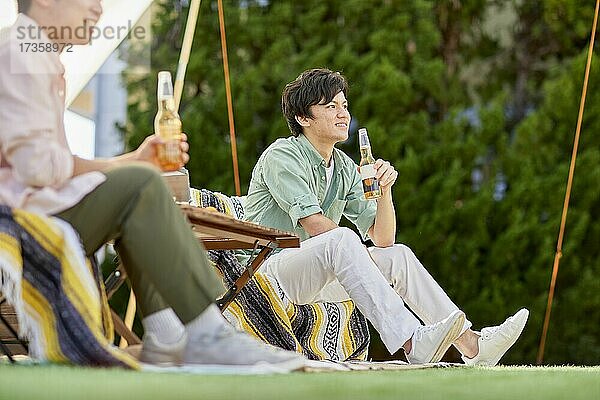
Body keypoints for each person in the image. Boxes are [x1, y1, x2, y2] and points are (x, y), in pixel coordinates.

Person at [0, 0, 304, 371]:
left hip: (34, 209)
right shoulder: (18, 53)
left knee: (142, 188)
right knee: (141, 187)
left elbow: (50, 164)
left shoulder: (32, 54)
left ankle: (169, 338)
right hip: (17, 221)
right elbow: (40, 169)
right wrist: (132, 169)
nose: (97, 10)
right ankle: (207, 334)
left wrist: (135, 160)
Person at [242, 68, 529, 365]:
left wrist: (385, 191)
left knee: (398, 256)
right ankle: (411, 341)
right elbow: (316, 226)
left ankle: (473, 347)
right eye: (331, 107)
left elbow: (383, 238)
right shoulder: (282, 155)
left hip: (311, 274)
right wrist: (356, 254)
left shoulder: (343, 166)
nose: (343, 114)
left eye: (344, 106)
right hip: (265, 272)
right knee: (342, 238)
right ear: (303, 118)